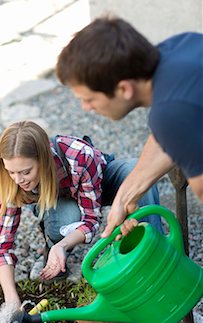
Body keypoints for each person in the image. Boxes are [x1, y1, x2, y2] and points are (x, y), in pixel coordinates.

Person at [56, 15, 203, 238]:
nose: (85, 108)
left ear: (124, 89)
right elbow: (169, 139)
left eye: (89, 99)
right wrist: (125, 197)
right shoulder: (182, 45)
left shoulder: (169, 114)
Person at [0, 120, 162, 305]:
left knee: (136, 171)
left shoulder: (80, 155)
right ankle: (54, 248)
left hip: (99, 182)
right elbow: (3, 247)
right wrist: (11, 300)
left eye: (25, 172)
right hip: (58, 200)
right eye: (11, 172)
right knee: (68, 217)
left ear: (44, 158)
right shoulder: (11, 183)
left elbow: (91, 220)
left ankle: (155, 257)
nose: (18, 180)